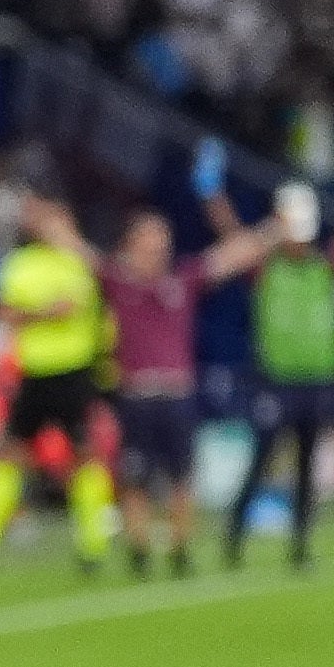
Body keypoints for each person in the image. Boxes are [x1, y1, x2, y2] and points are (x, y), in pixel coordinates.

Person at [200, 176, 334, 569]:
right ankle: (235, 536)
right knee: (262, 459)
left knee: (307, 466)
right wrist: (214, 194)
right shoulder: (266, 270)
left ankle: (300, 544)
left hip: (318, 379)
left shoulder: (324, 267)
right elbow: (236, 239)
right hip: (277, 378)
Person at [0, 190, 117, 570]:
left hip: (74, 371)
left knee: (83, 456)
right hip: (34, 373)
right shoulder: (20, 264)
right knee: (11, 454)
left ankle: (93, 544)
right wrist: (46, 313)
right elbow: (8, 312)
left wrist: (37, 314)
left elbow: (79, 307)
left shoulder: (78, 261)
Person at [100, 209, 205, 576]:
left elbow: (229, 258)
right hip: (138, 395)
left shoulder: (183, 280)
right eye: (149, 236)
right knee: (135, 476)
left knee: (181, 475)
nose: (157, 244)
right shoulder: (119, 282)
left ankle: (180, 548)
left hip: (176, 393)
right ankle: (139, 549)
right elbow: (79, 250)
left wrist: (270, 231)